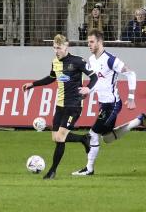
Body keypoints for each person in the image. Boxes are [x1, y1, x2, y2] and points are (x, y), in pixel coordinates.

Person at [72, 29, 146, 176]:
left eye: (91, 42)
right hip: (103, 104)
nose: (88, 45)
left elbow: (131, 73)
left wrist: (130, 97)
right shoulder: (91, 60)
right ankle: (138, 120)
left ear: (100, 42)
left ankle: (89, 169)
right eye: (88, 42)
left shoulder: (110, 59)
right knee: (107, 138)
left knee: (93, 133)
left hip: (112, 104)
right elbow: (96, 82)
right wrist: (87, 91)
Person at [21, 34, 96, 179]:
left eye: (59, 48)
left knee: (61, 138)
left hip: (74, 105)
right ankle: (83, 139)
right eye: (54, 48)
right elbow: (51, 78)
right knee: (55, 137)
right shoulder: (55, 62)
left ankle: (52, 171)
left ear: (66, 46)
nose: (57, 51)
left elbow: (94, 77)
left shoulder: (78, 61)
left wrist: (88, 88)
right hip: (60, 105)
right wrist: (33, 84)